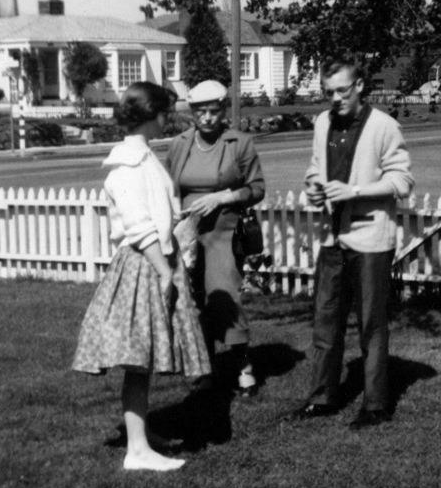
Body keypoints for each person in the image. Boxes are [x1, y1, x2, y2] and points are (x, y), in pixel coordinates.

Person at [72, 82, 211, 472]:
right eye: (164, 112)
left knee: (144, 360)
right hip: (143, 265)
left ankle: (141, 436)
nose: (168, 118)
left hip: (155, 260)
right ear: (150, 114)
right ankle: (136, 451)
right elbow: (138, 226)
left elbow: (158, 213)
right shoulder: (127, 166)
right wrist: (165, 272)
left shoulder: (144, 156)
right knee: (138, 359)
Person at [293, 58, 414, 429]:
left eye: (342, 90)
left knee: (370, 324)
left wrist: (355, 191)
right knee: (325, 321)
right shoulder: (323, 123)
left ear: (360, 85)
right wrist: (314, 188)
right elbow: (316, 167)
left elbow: (402, 181)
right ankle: (322, 398)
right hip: (331, 238)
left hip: (371, 241)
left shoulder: (384, 126)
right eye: (328, 92)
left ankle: (375, 406)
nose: (335, 98)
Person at [166, 80, 266, 397]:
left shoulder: (239, 143)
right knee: (193, 300)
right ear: (192, 112)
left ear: (223, 110)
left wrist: (222, 197)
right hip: (187, 234)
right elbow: (169, 187)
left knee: (224, 297)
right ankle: (205, 368)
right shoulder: (179, 144)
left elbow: (257, 188)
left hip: (223, 232)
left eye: (213, 111)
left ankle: (243, 365)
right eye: (200, 112)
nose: (207, 118)